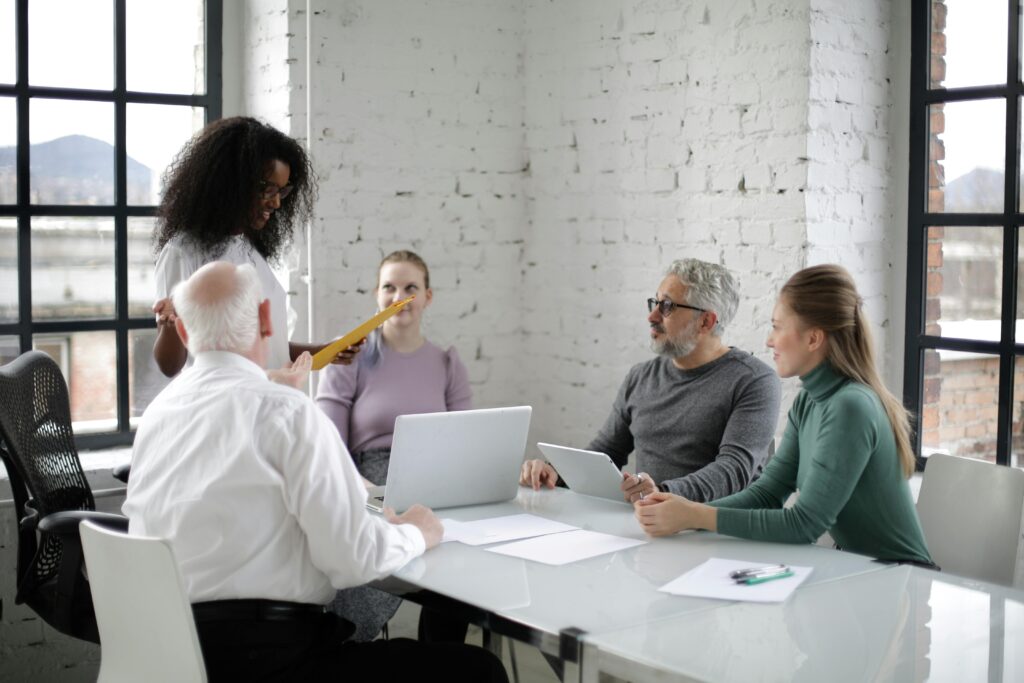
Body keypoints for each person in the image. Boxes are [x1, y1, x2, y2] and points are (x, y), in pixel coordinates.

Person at [123, 261, 507, 682]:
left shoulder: (159, 414)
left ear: (183, 332)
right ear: (266, 319)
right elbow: (353, 559)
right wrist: (419, 531)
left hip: (171, 657)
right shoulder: (286, 412)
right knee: (479, 671)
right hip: (271, 660)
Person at [634, 265, 934, 567]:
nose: (769, 341)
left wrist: (694, 515)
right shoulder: (808, 400)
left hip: (905, 579)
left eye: (777, 327)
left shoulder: (851, 406)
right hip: (858, 573)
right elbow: (767, 493)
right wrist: (685, 512)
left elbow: (804, 525)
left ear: (813, 339)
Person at [520, 258, 781, 504]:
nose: (652, 316)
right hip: (651, 524)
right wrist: (555, 472)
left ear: (706, 321)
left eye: (666, 306)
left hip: (718, 535)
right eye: (654, 303)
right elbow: (607, 451)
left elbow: (734, 470)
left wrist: (663, 494)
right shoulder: (641, 376)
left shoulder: (754, 381)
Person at [315, 250, 471, 641]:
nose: (399, 295)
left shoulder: (447, 363)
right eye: (390, 286)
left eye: (410, 287)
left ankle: (442, 658)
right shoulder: (351, 355)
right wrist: (365, 492)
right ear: (376, 294)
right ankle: (350, 641)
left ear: (428, 297)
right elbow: (328, 444)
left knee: (461, 551)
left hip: (434, 483)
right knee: (373, 539)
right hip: (369, 481)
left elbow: (465, 444)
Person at [151, 116, 358, 383]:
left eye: (282, 192)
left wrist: (327, 352)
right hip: (229, 410)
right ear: (228, 182)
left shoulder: (248, 249)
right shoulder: (183, 253)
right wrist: (169, 328)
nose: (275, 203)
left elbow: (271, 349)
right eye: (266, 189)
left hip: (269, 403)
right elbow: (169, 365)